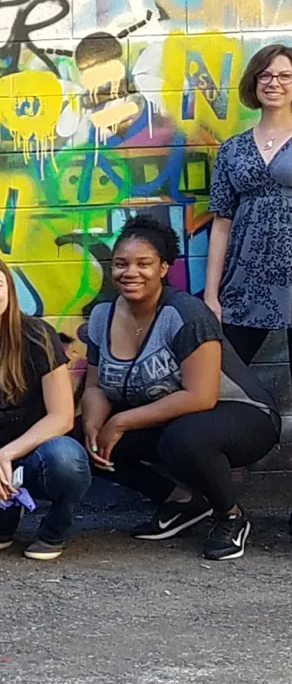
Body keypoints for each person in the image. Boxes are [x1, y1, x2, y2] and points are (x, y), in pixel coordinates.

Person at [83, 216, 281, 561]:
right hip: (172, 417)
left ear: (163, 268)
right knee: (82, 441)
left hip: (244, 417)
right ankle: (182, 501)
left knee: (184, 439)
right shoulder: (102, 316)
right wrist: (94, 425)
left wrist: (121, 422)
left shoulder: (186, 314)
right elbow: (96, 385)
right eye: (121, 264)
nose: (130, 272)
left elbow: (201, 395)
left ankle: (230, 515)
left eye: (143, 263)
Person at [0, 255, 90, 561]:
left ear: (9, 291)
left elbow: (61, 417)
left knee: (67, 458)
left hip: (44, 447)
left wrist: (8, 454)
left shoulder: (37, 335)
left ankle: (55, 529)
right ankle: (5, 519)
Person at [204, 45, 292, 378]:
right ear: (254, 83)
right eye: (265, 75)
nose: (274, 83)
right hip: (246, 280)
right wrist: (212, 294)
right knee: (225, 374)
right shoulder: (233, 149)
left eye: (285, 75)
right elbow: (222, 222)